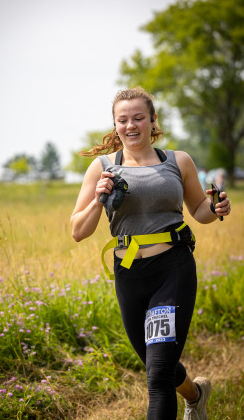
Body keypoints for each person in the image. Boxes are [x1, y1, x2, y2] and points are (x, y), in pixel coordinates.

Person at [70, 87, 231, 420]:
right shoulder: (101, 168)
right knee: (156, 361)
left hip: (173, 269)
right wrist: (100, 198)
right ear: (115, 125)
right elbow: (78, 231)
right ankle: (196, 396)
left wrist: (215, 208)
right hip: (129, 273)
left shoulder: (177, 161)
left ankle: (190, 400)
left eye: (138, 118)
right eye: (123, 120)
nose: (131, 125)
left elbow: (199, 209)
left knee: (157, 375)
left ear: (152, 120)